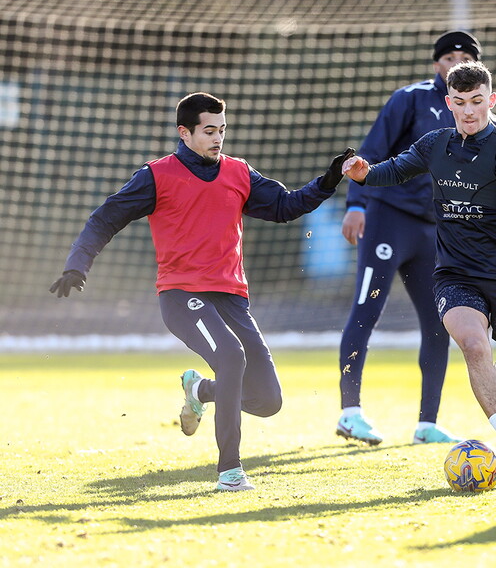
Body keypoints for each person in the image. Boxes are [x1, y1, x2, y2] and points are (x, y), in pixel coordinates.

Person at [49, 92, 353, 492]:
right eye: (209, 130)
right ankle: (230, 472)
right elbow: (106, 217)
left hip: (231, 298)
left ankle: (199, 390)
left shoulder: (239, 172)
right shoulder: (158, 175)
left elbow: (285, 206)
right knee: (230, 355)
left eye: (222, 130)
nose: (217, 138)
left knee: (267, 400)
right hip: (181, 296)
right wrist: (77, 263)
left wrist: (330, 180)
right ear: (185, 132)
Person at [336, 30, 496, 447]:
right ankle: (354, 411)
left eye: (476, 101)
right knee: (430, 329)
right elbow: (385, 163)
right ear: (445, 92)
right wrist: (360, 190)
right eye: (459, 100)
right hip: (421, 246)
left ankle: (461, 402)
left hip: (472, 253)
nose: (468, 110)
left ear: (490, 98)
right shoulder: (420, 118)